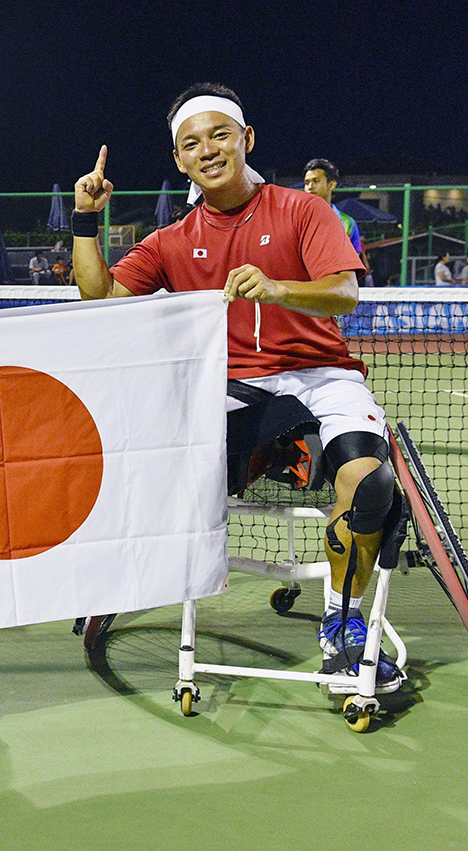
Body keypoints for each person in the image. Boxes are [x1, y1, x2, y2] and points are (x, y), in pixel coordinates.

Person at [72, 82, 404, 692]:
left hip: (322, 376)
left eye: (220, 135)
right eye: (191, 144)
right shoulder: (170, 240)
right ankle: (141, 567)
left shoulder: (305, 211)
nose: (208, 151)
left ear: (246, 140)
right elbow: (98, 300)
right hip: (236, 387)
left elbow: (344, 292)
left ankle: (343, 626)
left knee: (371, 484)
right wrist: (86, 220)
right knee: (158, 465)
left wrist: (278, 289)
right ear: (180, 160)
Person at [303, 159, 374, 286]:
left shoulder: (348, 223)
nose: (310, 187)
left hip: (332, 292)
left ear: (332, 185)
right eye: (307, 182)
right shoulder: (295, 219)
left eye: (316, 181)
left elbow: (351, 264)